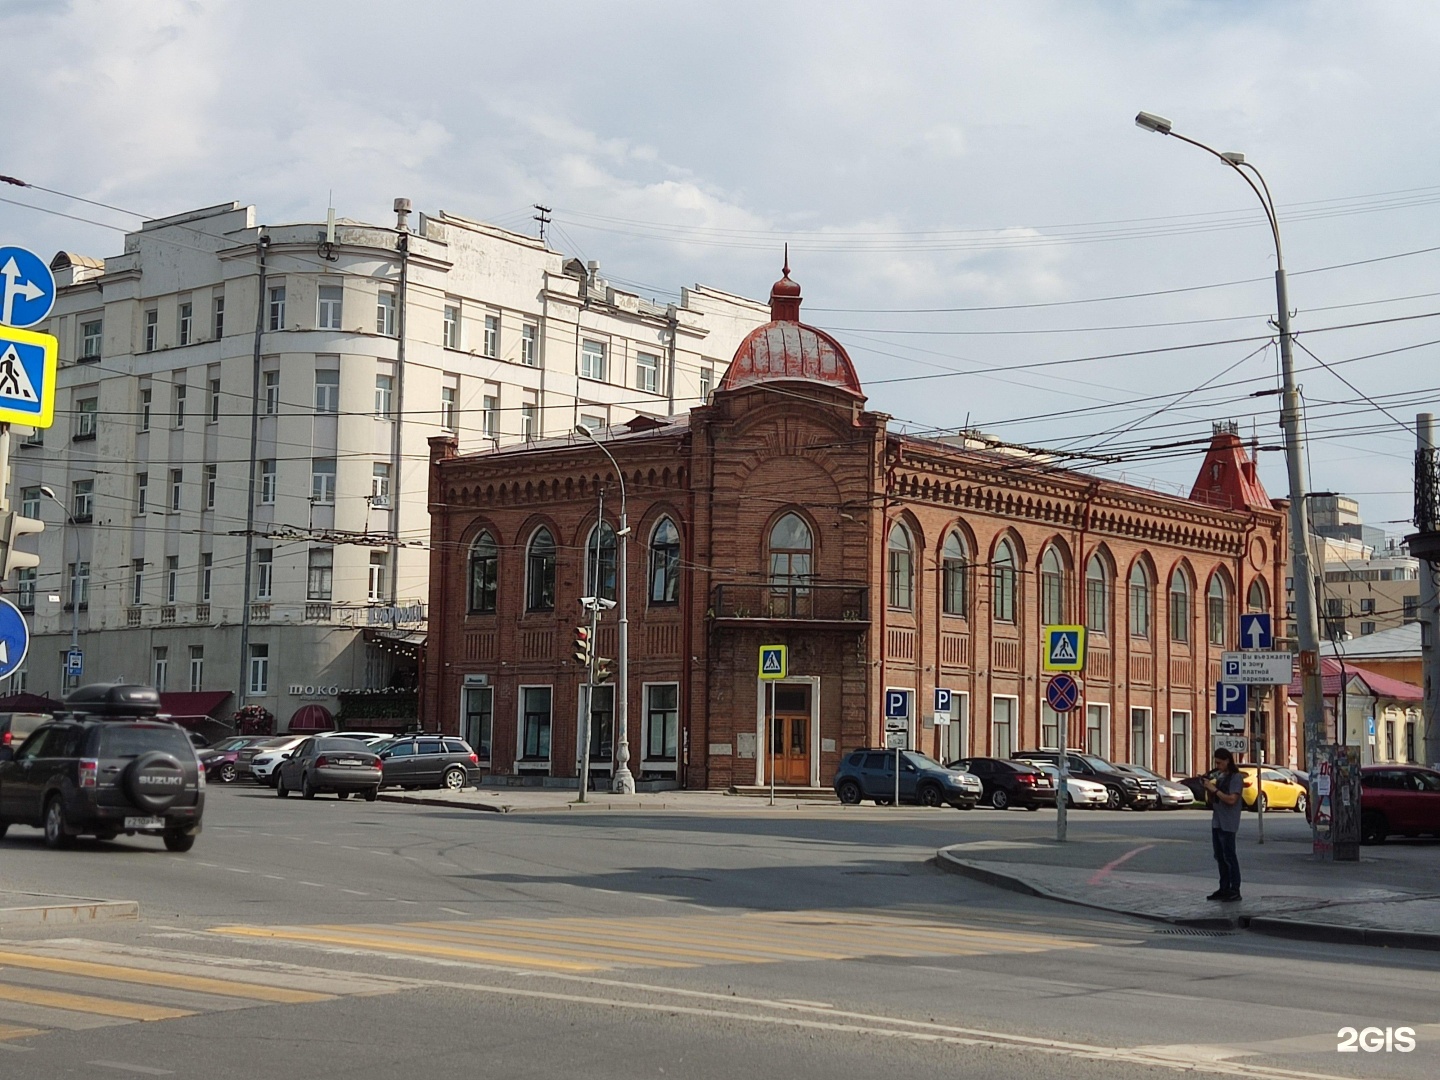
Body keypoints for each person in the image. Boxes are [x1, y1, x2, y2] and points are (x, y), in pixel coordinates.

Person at [1204, 748, 1245, 901]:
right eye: (1216, 763)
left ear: (1228, 760)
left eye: (1220, 763)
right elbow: (1212, 800)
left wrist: (1214, 790)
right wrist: (1208, 789)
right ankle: (1224, 887)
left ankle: (1235, 889)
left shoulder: (1236, 778)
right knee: (1220, 856)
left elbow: (1231, 800)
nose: (1218, 765)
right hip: (1217, 821)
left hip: (1228, 822)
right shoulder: (1221, 777)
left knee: (1229, 856)